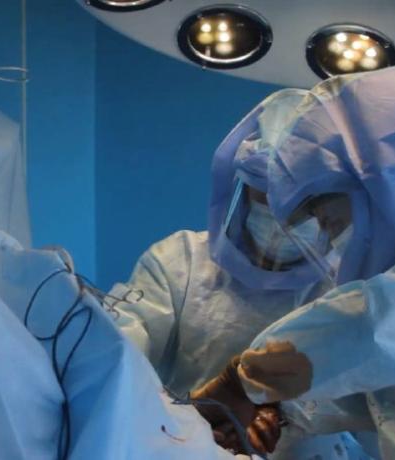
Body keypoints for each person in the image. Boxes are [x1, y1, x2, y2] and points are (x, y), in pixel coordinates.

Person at [194, 63, 395, 458]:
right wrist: (280, 409)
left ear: (385, 182)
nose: (334, 239)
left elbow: (381, 325)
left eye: (332, 220)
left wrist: (246, 380)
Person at [109, 87, 376, 457]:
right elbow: (115, 357)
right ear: (242, 188)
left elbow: (373, 396)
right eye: (267, 198)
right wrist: (187, 417)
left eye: (301, 206)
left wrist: (286, 412)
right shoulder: (180, 262)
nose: (282, 218)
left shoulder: (352, 286)